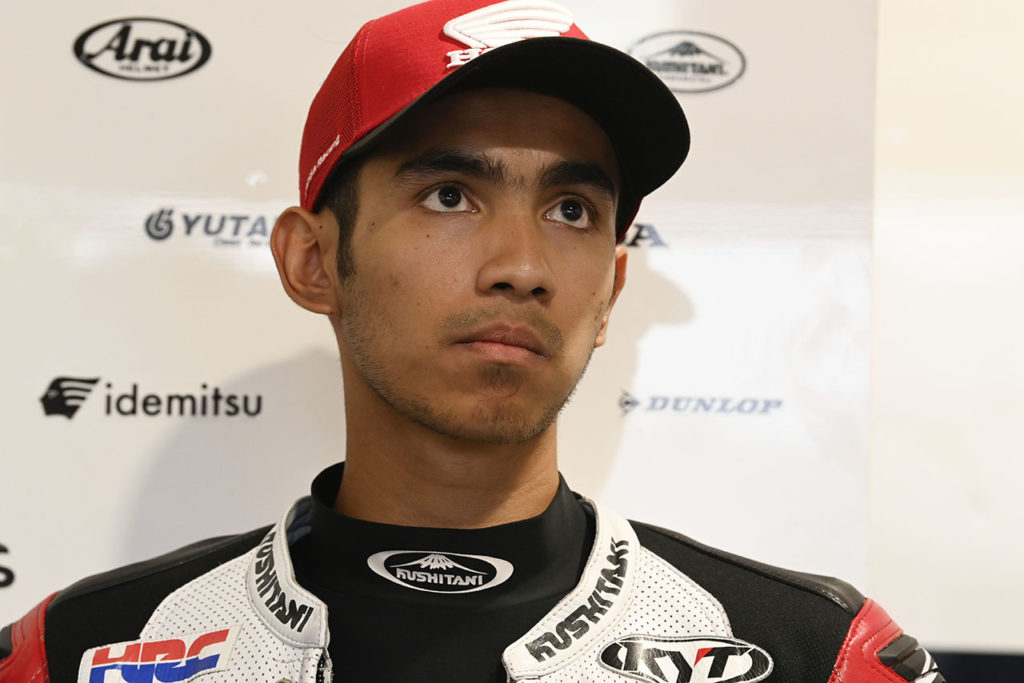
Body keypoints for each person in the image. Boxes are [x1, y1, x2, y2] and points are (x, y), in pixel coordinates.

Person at [0, 1, 944, 681]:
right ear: (312, 260)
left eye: (572, 209)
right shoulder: (78, 654)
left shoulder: (817, 656)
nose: (523, 266)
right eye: (450, 195)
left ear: (611, 292)